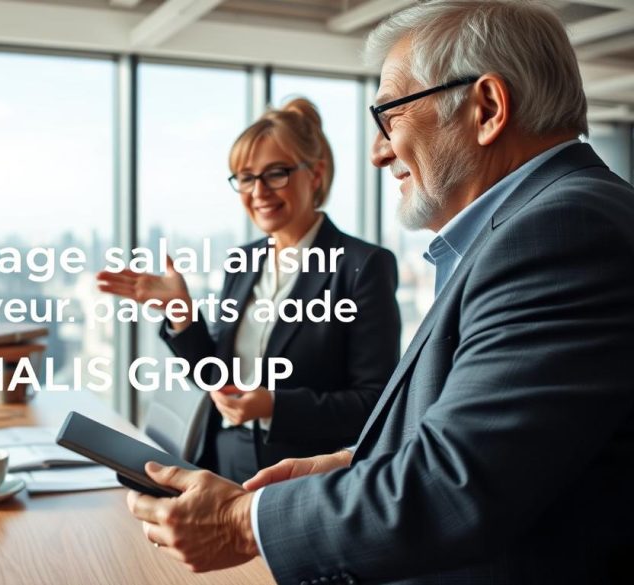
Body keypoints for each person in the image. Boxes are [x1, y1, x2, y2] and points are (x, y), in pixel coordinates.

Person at [124, 1, 634, 583]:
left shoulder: (562, 231)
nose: (378, 150)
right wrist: (354, 464)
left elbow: (459, 484)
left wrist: (245, 522)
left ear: (487, 108)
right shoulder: (524, 230)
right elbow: (487, 436)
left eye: (389, 113)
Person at [97, 99, 401, 484]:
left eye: (276, 173)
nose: (258, 191)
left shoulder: (361, 266)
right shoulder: (243, 261)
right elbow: (215, 375)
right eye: (244, 177)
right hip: (224, 459)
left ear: (316, 174)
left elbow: (375, 403)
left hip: (302, 474)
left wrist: (274, 405)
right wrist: (181, 313)